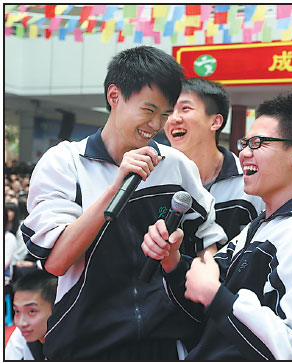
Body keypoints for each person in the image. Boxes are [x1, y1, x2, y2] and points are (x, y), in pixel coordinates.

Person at [20, 46, 227, 360]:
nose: (156, 124)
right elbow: (57, 262)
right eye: (148, 110)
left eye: (165, 113)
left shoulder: (175, 164)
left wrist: (187, 261)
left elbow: (209, 240)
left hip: (166, 341)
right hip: (85, 342)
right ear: (114, 96)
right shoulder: (64, 163)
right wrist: (115, 187)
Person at [141, 93, 292, 360]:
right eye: (245, 143)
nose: (245, 152)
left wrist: (218, 298)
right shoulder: (262, 225)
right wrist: (172, 260)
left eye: (258, 143)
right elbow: (205, 293)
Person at [164, 78, 265, 242]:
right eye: (169, 111)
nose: (173, 119)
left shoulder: (249, 184)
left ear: (215, 122)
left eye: (185, 108)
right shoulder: (157, 177)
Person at [5, 269, 58, 360]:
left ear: (55, 308)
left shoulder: (74, 346)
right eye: (17, 311)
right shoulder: (22, 335)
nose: (21, 323)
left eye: (31, 311)